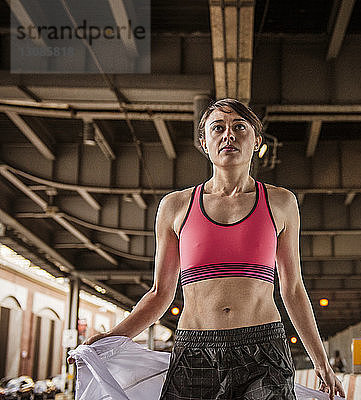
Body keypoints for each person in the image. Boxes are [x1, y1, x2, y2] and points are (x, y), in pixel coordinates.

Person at [68, 98, 345, 400]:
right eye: (218, 128)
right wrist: (110, 339)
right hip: (194, 350)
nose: (229, 135)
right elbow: (160, 294)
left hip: (263, 350)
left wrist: (322, 362)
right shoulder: (175, 207)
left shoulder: (281, 202)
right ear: (204, 141)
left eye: (240, 127)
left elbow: (292, 289)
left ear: (256, 141)